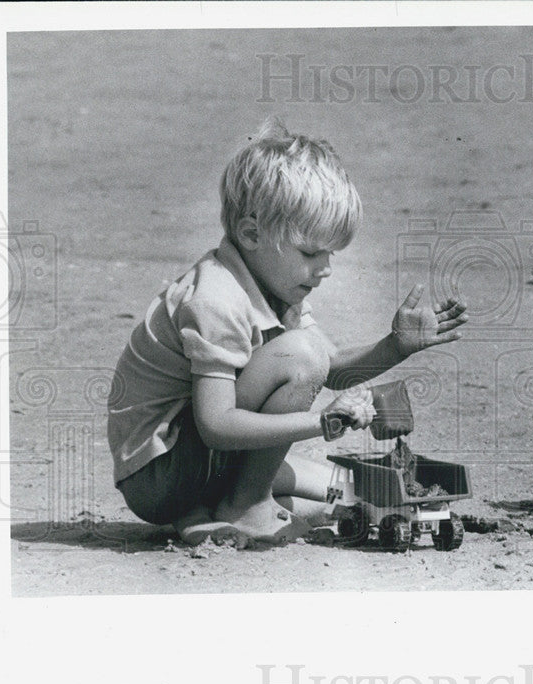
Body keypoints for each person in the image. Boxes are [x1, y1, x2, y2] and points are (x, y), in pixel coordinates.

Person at [106, 117, 467, 545]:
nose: (326, 269)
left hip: (196, 465)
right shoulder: (216, 300)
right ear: (251, 233)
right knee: (302, 355)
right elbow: (217, 425)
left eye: (330, 253)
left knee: (343, 490)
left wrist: (395, 346)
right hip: (162, 474)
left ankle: (213, 512)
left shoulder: (273, 284)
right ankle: (246, 505)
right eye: (311, 252)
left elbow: (330, 370)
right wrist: (322, 421)